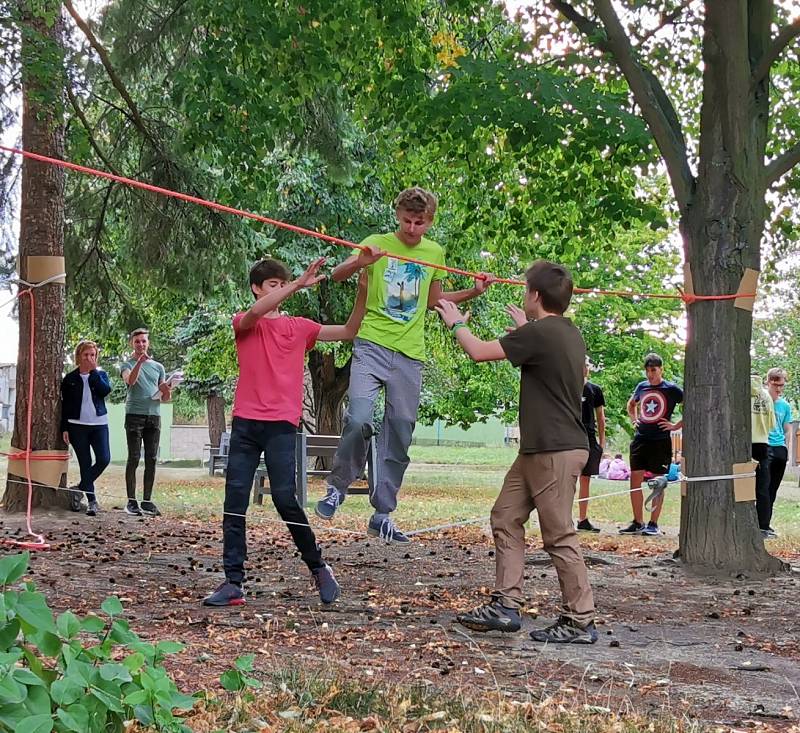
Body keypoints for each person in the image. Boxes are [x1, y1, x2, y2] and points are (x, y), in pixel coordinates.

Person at [315, 187, 494, 543]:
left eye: (420, 223)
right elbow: (337, 275)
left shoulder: (434, 252)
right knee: (359, 419)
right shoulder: (375, 242)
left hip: (410, 354)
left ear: (430, 221)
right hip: (372, 344)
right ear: (398, 215)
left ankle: (382, 514)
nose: (412, 229)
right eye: (407, 221)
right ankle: (336, 488)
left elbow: (433, 301)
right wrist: (360, 263)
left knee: (400, 428)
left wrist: (473, 292)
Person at [436, 260, 597, 644]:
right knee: (505, 516)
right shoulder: (566, 333)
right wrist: (526, 330)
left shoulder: (542, 333)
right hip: (537, 450)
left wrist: (456, 322)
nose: (524, 295)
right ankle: (506, 607)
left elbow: (477, 351)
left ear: (535, 296)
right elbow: (547, 361)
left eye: (526, 290)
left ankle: (580, 621)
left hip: (554, 450)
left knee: (558, 535)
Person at [203, 257, 367, 607]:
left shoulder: (299, 328)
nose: (279, 291)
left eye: (282, 284)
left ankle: (319, 567)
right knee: (234, 502)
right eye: (273, 285)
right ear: (257, 289)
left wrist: (365, 288)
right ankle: (233, 582)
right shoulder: (245, 324)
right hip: (246, 423)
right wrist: (295, 285)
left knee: (284, 498)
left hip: (280, 425)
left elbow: (349, 331)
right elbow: (256, 313)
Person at [620, 353, 683, 536]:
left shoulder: (671, 389)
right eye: (647, 370)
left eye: (653, 370)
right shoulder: (642, 386)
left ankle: (653, 523)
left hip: (660, 440)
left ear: (661, 369)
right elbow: (631, 405)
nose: (650, 374)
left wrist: (676, 425)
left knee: (658, 482)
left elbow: (691, 405)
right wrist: (634, 420)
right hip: (641, 439)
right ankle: (637, 521)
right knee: (635, 480)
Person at [120, 328, 172, 517]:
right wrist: (139, 364)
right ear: (131, 344)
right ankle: (131, 502)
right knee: (134, 457)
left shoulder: (158, 367)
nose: (141, 345)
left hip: (154, 416)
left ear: (148, 343)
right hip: (134, 414)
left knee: (151, 459)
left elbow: (165, 397)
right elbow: (130, 381)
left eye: (143, 341)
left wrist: (167, 389)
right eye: (137, 342)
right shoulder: (127, 364)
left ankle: (147, 501)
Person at [60, 340, 112, 516]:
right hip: (77, 426)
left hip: (99, 424)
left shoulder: (101, 374)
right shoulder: (70, 378)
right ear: (79, 357)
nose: (89, 358)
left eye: (92, 355)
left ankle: (78, 489)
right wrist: (64, 428)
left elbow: (105, 391)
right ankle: (92, 502)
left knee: (104, 459)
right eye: (86, 355)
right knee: (85, 463)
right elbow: (65, 405)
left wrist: (94, 373)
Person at [577, 362, 606, 532]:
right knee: (568, 480)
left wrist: (602, 443)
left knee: (585, 479)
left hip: (589, 439)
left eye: (586, 364)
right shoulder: (568, 388)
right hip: (571, 438)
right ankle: (564, 519)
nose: (584, 367)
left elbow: (601, 417)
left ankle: (583, 519)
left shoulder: (595, 389)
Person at [765, 368, 793, 538]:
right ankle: (761, 523)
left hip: (779, 448)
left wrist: (786, 447)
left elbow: (787, 428)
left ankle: (767, 523)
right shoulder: (762, 401)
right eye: (776, 385)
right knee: (762, 487)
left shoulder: (784, 405)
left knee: (772, 489)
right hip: (764, 446)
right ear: (768, 382)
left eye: (781, 385)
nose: (779, 389)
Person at [751, 374, 776, 537]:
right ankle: (763, 525)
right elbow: (772, 424)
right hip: (761, 443)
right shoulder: (766, 396)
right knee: (762, 487)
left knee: (740, 485)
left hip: (744, 443)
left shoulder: (740, 393)